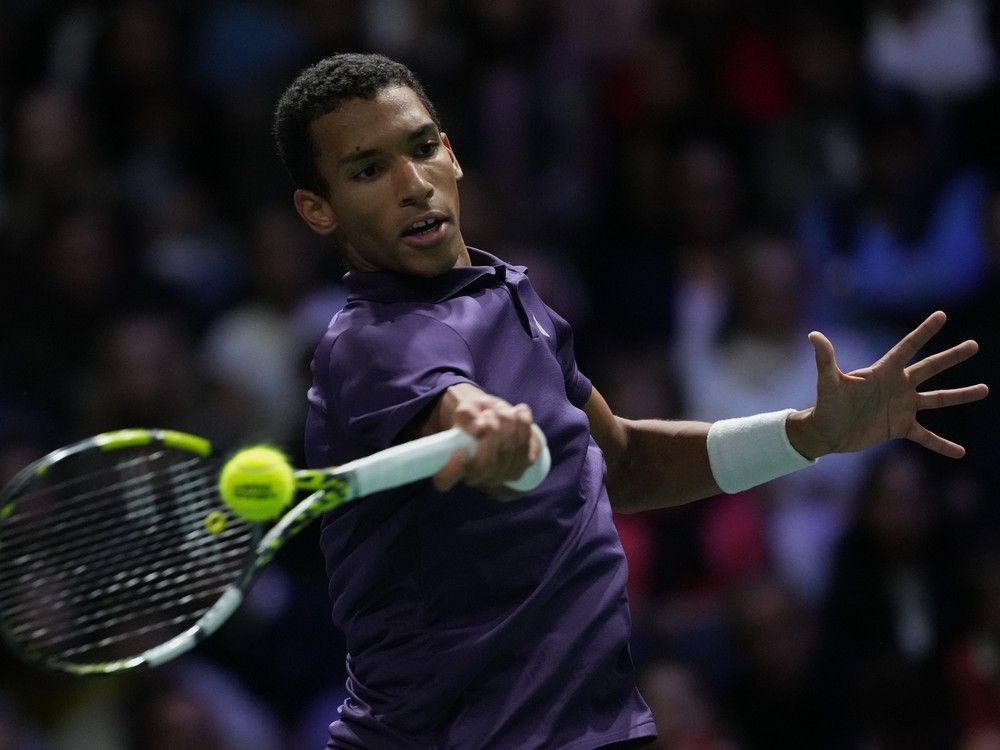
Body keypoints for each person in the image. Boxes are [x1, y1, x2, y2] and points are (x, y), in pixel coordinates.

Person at [272, 53, 988, 750]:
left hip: (593, 727)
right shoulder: (366, 345)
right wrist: (480, 425)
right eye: (368, 170)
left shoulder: (513, 301)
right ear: (317, 209)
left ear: (452, 153)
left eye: (423, 147)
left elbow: (622, 465)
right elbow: (446, 400)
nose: (412, 183)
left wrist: (806, 434)